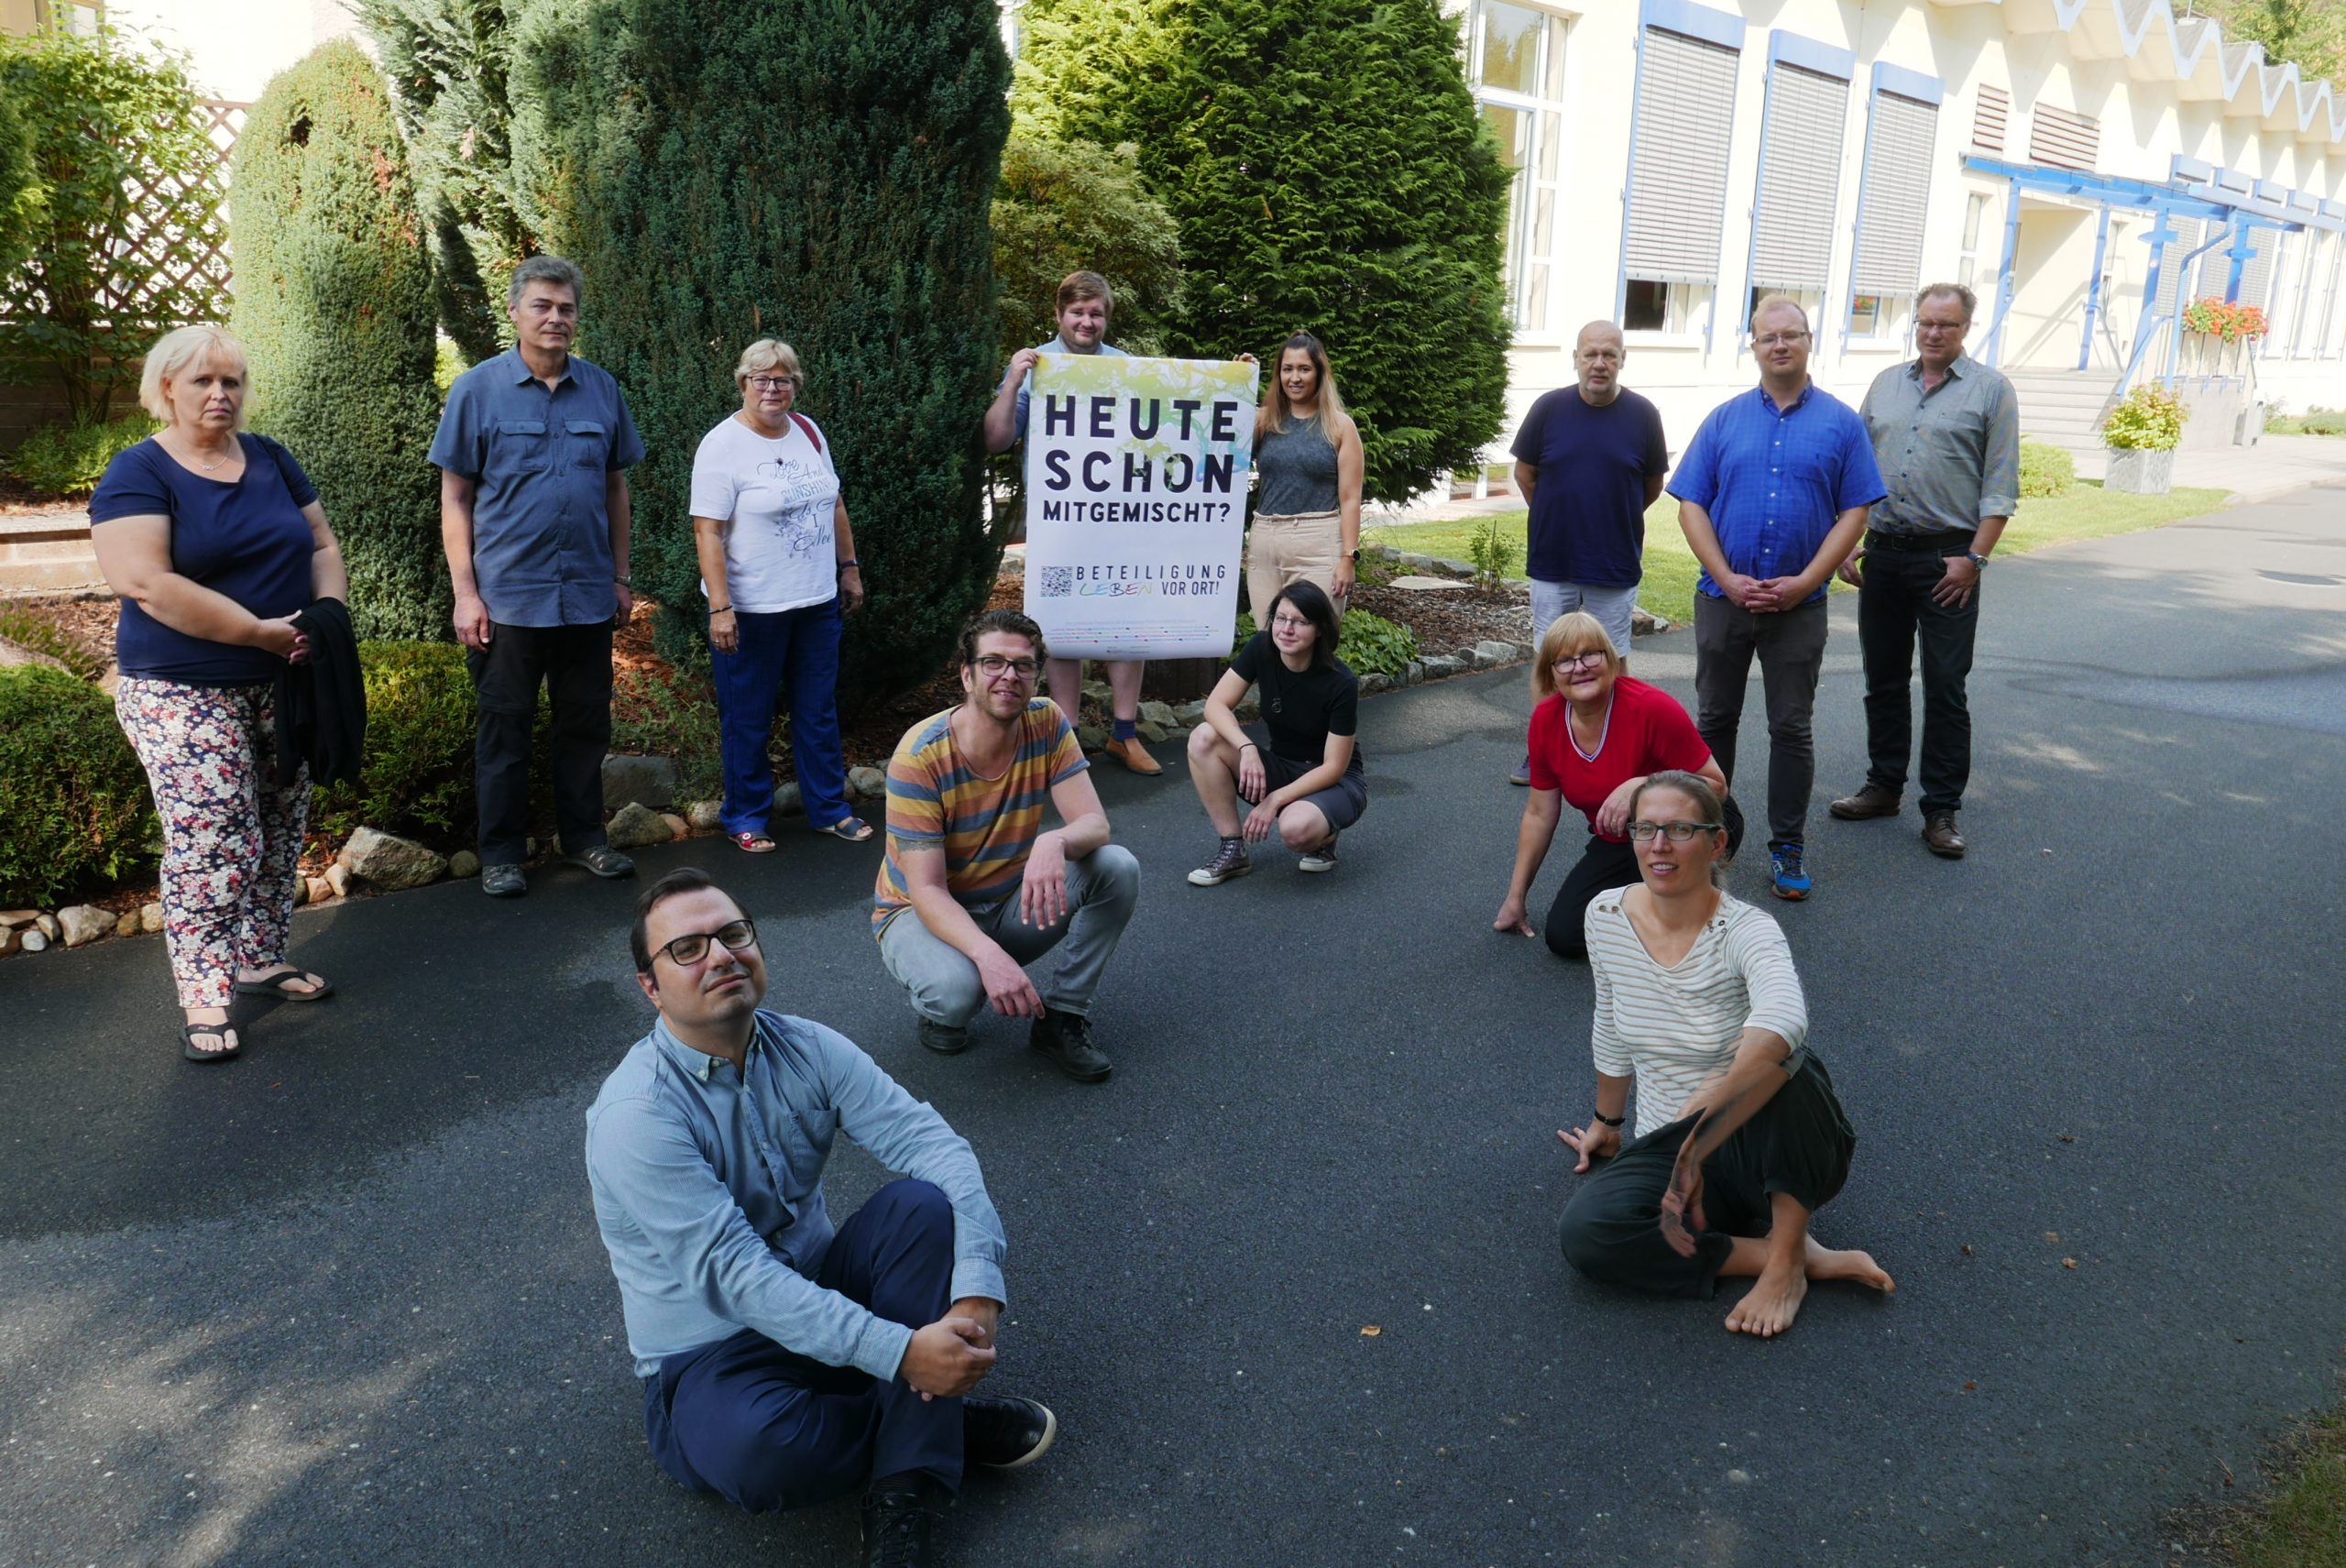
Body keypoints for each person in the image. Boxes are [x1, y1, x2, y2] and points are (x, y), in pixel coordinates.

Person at [586, 869, 1057, 1568]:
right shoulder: (636, 1116)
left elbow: (935, 1147)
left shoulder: (806, 1045)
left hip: (823, 1295)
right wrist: (901, 1354)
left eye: (733, 933)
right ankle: (931, 1413)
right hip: (712, 1350)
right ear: (650, 987)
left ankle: (905, 1484)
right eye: (686, 948)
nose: (719, 955)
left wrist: (979, 1288)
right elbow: (737, 1276)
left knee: (922, 1207)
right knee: (762, 1455)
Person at [1554, 772, 1892, 1337]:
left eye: (1679, 829)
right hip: (1672, 1144)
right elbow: (1610, 1020)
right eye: (1645, 829)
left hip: (1762, 1147)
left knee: (1787, 1062)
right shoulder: (1604, 915)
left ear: (1717, 844)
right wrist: (1607, 1124)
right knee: (1587, 1233)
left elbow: (1784, 1017)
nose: (1658, 846)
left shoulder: (1748, 929)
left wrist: (1711, 1104)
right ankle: (1791, 1257)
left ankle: (1786, 1262)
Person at [87, 325, 346, 1063]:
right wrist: (260, 631)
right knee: (212, 837)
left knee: (278, 819)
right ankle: (205, 988)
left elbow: (322, 544)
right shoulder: (137, 471)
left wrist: (325, 619)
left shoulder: (270, 457)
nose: (220, 394)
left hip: (282, 676)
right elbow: (147, 582)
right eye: (202, 380)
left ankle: (260, 957)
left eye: (231, 380)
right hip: (179, 689)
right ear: (165, 387)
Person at [430, 255, 646, 898]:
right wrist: (465, 593)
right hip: (507, 598)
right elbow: (455, 500)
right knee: (506, 725)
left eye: (566, 308)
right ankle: (500, 852)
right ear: (515, 312)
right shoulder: (477, 390)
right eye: (543, 306)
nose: (556, 317)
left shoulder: (602, 389)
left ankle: (585, 840)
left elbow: (616, 489)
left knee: (585, 723)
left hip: (584, 594)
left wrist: (621, 574)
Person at [1671, 296, 1885, 903]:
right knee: (1713, 722)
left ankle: (1787, 844)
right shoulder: (1723, 420)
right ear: (1754, 345)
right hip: (1723, 598)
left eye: (1792, 335)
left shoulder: (1842, 424)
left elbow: (1857, 509)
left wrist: (1807, 581)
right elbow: (1691, 504)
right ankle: (1706, 839)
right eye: (1769, 337)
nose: (1781, 345)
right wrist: (1727, 576)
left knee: (1791, 728)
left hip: (1801, 606)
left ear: (1810, 340)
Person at [872, 609, 1140, 1082]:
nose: (1008, 676)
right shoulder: (920, 757)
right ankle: (944, 1005)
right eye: (993, 662)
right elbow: (928, 891)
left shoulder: (1047, 721)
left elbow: (1095, 825)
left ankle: (1061, 1017)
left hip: (1008, 900)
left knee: (1116, 866)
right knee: (958, 993)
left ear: (1037, 676)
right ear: (966, 674)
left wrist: (1053, 840)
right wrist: (990, 959)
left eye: (1023, 665)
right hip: (918, 911)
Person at [1835, 283, 2019, 861]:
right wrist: (1846, 540)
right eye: (1925, 323)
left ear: (1967, 328)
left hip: (1950, 561)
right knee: (1882, 679)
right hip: (1883, 554)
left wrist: (1975, 559)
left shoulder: (1991, 390)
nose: (1934, 333)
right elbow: (1855, 468)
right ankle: (1884, 786)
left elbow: (2000, 484)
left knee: (1945, 686)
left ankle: (1941, 808)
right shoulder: (1886, 384)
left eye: (1947, 325)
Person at [690, 337, 871, 852]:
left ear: (795, 385)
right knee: (748, 717)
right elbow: (707, 531)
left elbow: (833, 502)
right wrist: (720, 608)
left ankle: (829, 809)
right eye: (761, 379)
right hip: (751, 609)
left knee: (817, 711)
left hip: (815, 603)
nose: (772, 388)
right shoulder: (721, 445)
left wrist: (849, 568)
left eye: (783, 379)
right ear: (743, 383)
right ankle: (745, 816)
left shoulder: (809, 431)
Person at [983, 269, 1157, 775]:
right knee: (1061, 628)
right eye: (1077, 312)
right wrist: (1014, 378)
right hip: (1057, 520)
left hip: (1118, 517)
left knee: (1127, 618)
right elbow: (996, 439)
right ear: (1059, 315)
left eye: (1096, 313)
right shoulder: (1037, 365)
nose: (1087, 321)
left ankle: (1125, 734)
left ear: (1106, 318)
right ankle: (1070, 739)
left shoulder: (1126, 367)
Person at [1493, 613, 1740, 959]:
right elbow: (1538, 812)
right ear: (1550, 672)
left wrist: (1643, 785)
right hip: (1621, 835)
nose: (1579, 668)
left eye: (1590, 654)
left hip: (1693, 820)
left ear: (1611, 659)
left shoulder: (1651, 708)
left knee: (1677, 913)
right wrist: (1516, 897)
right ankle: (1657, 899)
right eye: (1564, 660)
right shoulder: (1546, 722)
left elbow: (1716, 786)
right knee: (1565, 936)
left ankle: (1691, 899)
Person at [1507, 321, 1670, 785]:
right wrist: (1560, 515)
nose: (1599, 363)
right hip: (1553, 559)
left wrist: (1608, 517)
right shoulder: (1548, 409)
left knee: (1612, 659)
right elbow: (1525, 474)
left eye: (1609, 355)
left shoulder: (1643, 415)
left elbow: (1652, 484)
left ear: (1622, 360)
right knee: (1548, 657)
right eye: (1590, 354)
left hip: (1613, 561)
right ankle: (1543, 755)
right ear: (1575, 358)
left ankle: (1612, 750)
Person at [1184, 579, 1365, 886]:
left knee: (1296, 831)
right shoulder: (1261, 648)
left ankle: (1326, 835)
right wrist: (1246, 747)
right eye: (1280, 618)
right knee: (1204, 737)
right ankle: (1233, 849)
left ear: (1319, 629)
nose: (1286, 629)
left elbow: (1334, 767)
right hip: (1282, 765)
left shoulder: (1341, 682)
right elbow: (1215, 705)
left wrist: (1275, 800)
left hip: (1334, 781)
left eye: (1300, 622)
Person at [1246, 332, 1364, 617]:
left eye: (1304, 369)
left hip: (1318, 543)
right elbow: (1224, 452)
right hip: (1265, 541)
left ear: (1319, 373)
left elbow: (1350, 499)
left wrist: (1349, 558)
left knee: (1313, 640)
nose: (1294, 378)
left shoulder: (1339, 426)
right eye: (1287, 369)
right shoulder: (1264, 420)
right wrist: (1239, 383)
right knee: (1269, 640)